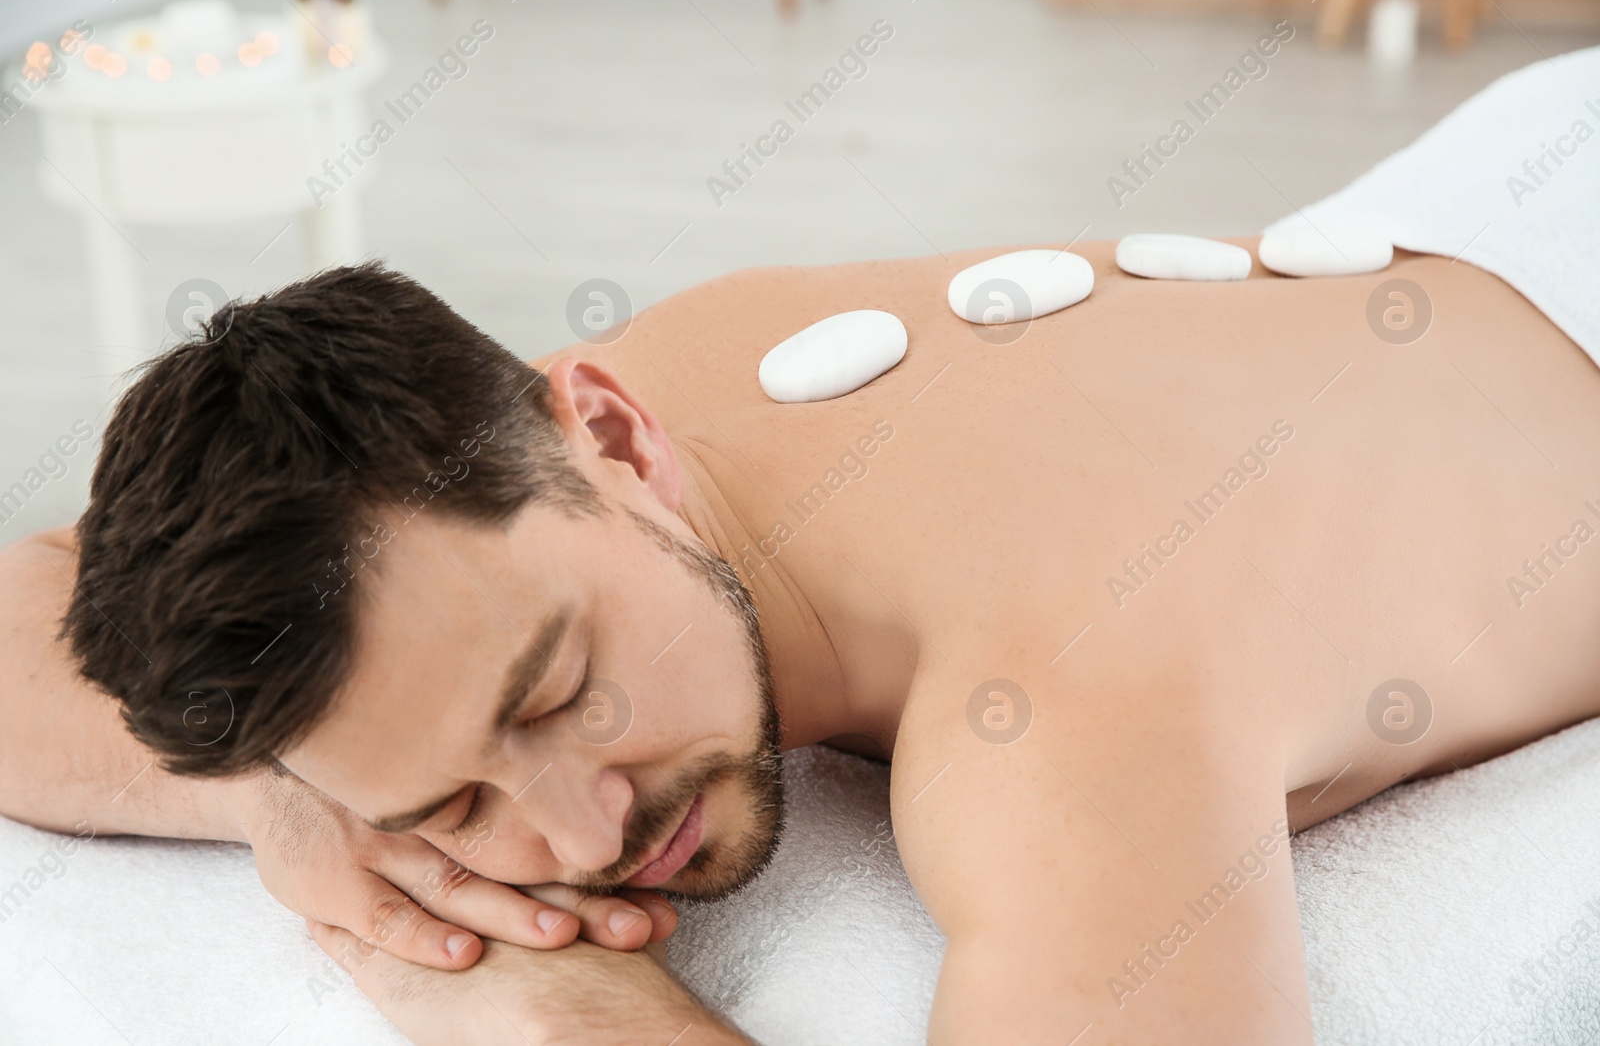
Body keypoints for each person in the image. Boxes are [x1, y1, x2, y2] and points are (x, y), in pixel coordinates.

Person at [4, 221, 1599, 1044]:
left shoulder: (1064, 720)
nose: (578, 837)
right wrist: (278, 797)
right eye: (448, 806)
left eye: (558, 695)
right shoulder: (495, 471)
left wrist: (558, 1006)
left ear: (618, 438)